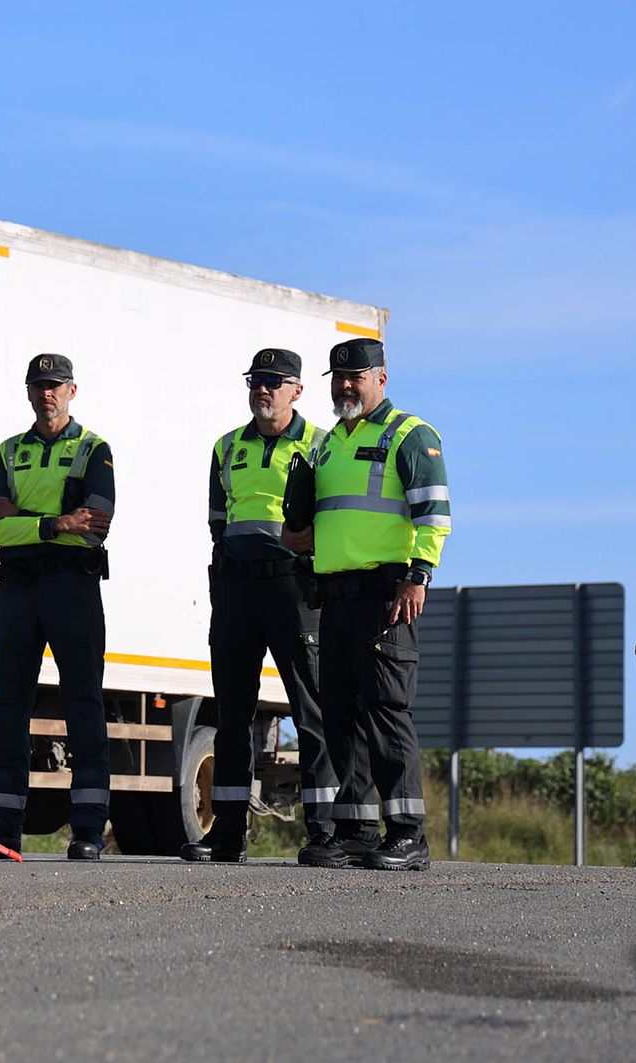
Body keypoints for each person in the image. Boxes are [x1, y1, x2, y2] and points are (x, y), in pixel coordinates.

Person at [281, 337, 450, 871]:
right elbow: (317, 522)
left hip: (386, 595)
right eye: (338, 376)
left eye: (356, 376)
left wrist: (419, 575)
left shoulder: (410, 434)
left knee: (385, 710)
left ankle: (407, 834)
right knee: (340, 716)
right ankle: (354, 829)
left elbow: (435, 515)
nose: (346, 385)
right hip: (334, 597)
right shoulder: (327, 444)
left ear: (382, 378)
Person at [181, 348, 344, 865]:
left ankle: (323, 831)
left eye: (275, 382)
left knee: (312, 711)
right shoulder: (227, 446)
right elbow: (216, 521)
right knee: (231, 715)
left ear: (297, 390)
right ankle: (228, 833)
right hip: (236, 591)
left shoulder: (322, 445)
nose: (263, 390)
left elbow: (334, 519)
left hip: (294, 590)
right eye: (256, 380)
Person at [0, 353, 116, 861]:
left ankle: (87, 831)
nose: (46, 394)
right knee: (9, 706)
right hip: (16, 586)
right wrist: (56, 523)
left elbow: (97, 521)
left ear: (72, 390)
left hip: (72, 589)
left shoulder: (93, 449)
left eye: (55, 385)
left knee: (83, 703)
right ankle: (2, 829)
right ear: (28, 392)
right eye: (38, 385)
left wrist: (27, 520)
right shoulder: (7, 452)